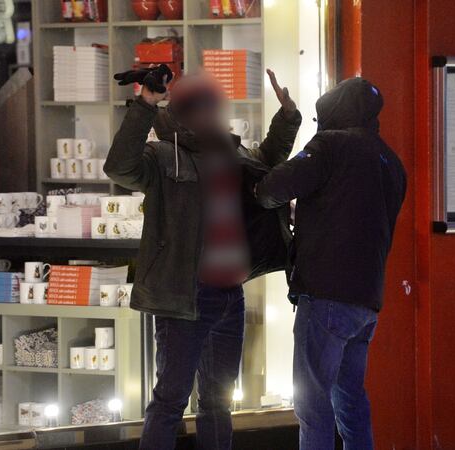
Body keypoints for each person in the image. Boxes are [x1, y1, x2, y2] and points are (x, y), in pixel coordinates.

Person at [104, 67, 301, 450]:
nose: (215, 114)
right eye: (205, 106)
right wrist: (144, 104)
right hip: (184, 297)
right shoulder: (164, 156)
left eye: (215, 106)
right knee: (170, 401)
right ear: (184, 112)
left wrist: (288, 114)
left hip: (230, 294)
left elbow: (269, 158)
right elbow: (119, 167)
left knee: (218, 403)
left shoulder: (233, 152)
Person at [255, 77, 407, 450]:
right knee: (350, 398)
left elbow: (274, 187)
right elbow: (353, 211)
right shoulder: (390, 161)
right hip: (366, 302)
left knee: (312, 402)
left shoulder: (331, 145)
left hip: (325, 295)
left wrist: (266, 194)